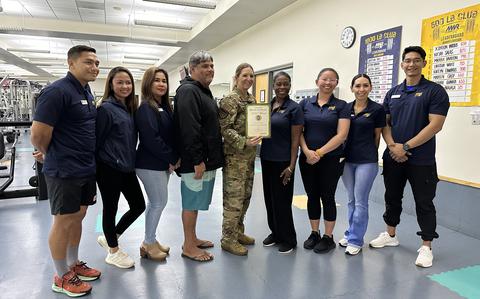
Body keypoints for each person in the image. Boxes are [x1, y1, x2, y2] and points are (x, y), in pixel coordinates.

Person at [369, 46, 449, 268]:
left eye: (416, 60)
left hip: (421, 159)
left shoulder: (435, 91)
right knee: (392, 197)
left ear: (424, 63)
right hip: (393, 156)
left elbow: (436, 125)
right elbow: (385, 123)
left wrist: (406, 147)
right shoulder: (393, 92)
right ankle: (391, 235)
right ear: (402, 64)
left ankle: (426, 246)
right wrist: (394, 146)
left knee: (424, 202)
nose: (411, 64)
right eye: (407, 60)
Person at [31, 45, 101, 297]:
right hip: (64, 169)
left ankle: (73, 264)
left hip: (86, 168)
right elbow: (38, 135)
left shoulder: (86, 91)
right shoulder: (56, 91)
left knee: (78, 216)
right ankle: (61, 276)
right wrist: (51, 155)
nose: (94, 67)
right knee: (62, 221)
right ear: (71, 64)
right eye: (88, 62)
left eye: (96, 63)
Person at [173, 51, 224, 262]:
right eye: (204, 66)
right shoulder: (187, 91)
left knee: (197, 202)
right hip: (195, 161)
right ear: (192, 69)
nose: (210, 69)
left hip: (206, 159)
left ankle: (192, 238)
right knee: (191, 203)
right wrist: (197, 160)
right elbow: (189, 128)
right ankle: (188, 246)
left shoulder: (203, 91)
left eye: (211, 65)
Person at [95, 67, 146, 268]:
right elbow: (97, 141)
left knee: (138, 205)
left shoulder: (129, 108)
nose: (125, 86)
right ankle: (113, 252)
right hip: (108, 167)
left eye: (128, 82)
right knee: (111, 208)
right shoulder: (106, 109)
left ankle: (111, 237)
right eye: (120, 82)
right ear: (111, 84)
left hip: (127, 166)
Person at [299, 68, 350, 254]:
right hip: (307, 159)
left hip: (331, 159)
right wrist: (306, 151)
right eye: (324, 79)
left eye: (332, 80)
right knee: (312, 196)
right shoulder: (305, 104)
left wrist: (318, 153)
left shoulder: (342, 105)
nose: (328, 83)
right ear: (317, 81)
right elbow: (299, 132)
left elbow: (342, 134)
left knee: (327, 197)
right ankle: (314, 233)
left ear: (336, 83)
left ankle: (328, 237)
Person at [338, 74, 386, 255]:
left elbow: (377, 136)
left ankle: (356, 240)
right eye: (357, 86)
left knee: (360, 202)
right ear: (352, 88)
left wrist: (370, 154)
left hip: (366, 161)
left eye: (365, 85)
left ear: (370, 88)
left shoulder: (377, 109)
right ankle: (350, 233)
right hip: (347, 160)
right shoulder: (345, 108)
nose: (361, 89)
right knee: (351, 200)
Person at [135, 67, 179, 262]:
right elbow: (151, 139)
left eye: (164, 80)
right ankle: (148, 243)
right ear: (148, 84)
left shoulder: (164, 106)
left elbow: (169, 136)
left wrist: (172, 158)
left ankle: (150, 241)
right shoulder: (146, 108)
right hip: (149, 164)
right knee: (158, 203)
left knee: (155, 202)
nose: (161, 84)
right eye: (156, 80)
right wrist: (172, 158)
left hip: (161, 163)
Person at [219, 63, 262, 256]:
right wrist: (244, 141)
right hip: (234, 158)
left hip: (249, 158)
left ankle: (238, 231)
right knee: (233, 200)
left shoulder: (251, 99)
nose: (249, 79)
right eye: (245, 75)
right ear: (236, 77)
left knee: (245, 197)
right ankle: (227, 239)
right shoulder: (230, 100)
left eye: (251, 76)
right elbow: (224, 129)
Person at [260, 71, 303, 254]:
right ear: (274, 86)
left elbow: (295, 141)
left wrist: (291, 166)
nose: (282, 87)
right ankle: (275, 232)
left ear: (290, 85)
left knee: (282, 201)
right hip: (266, 159)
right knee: (269, 199)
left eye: (285, 84)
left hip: (283, 161)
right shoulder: (266, 106)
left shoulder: (294, 109)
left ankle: (288, 238)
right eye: (279, 84)